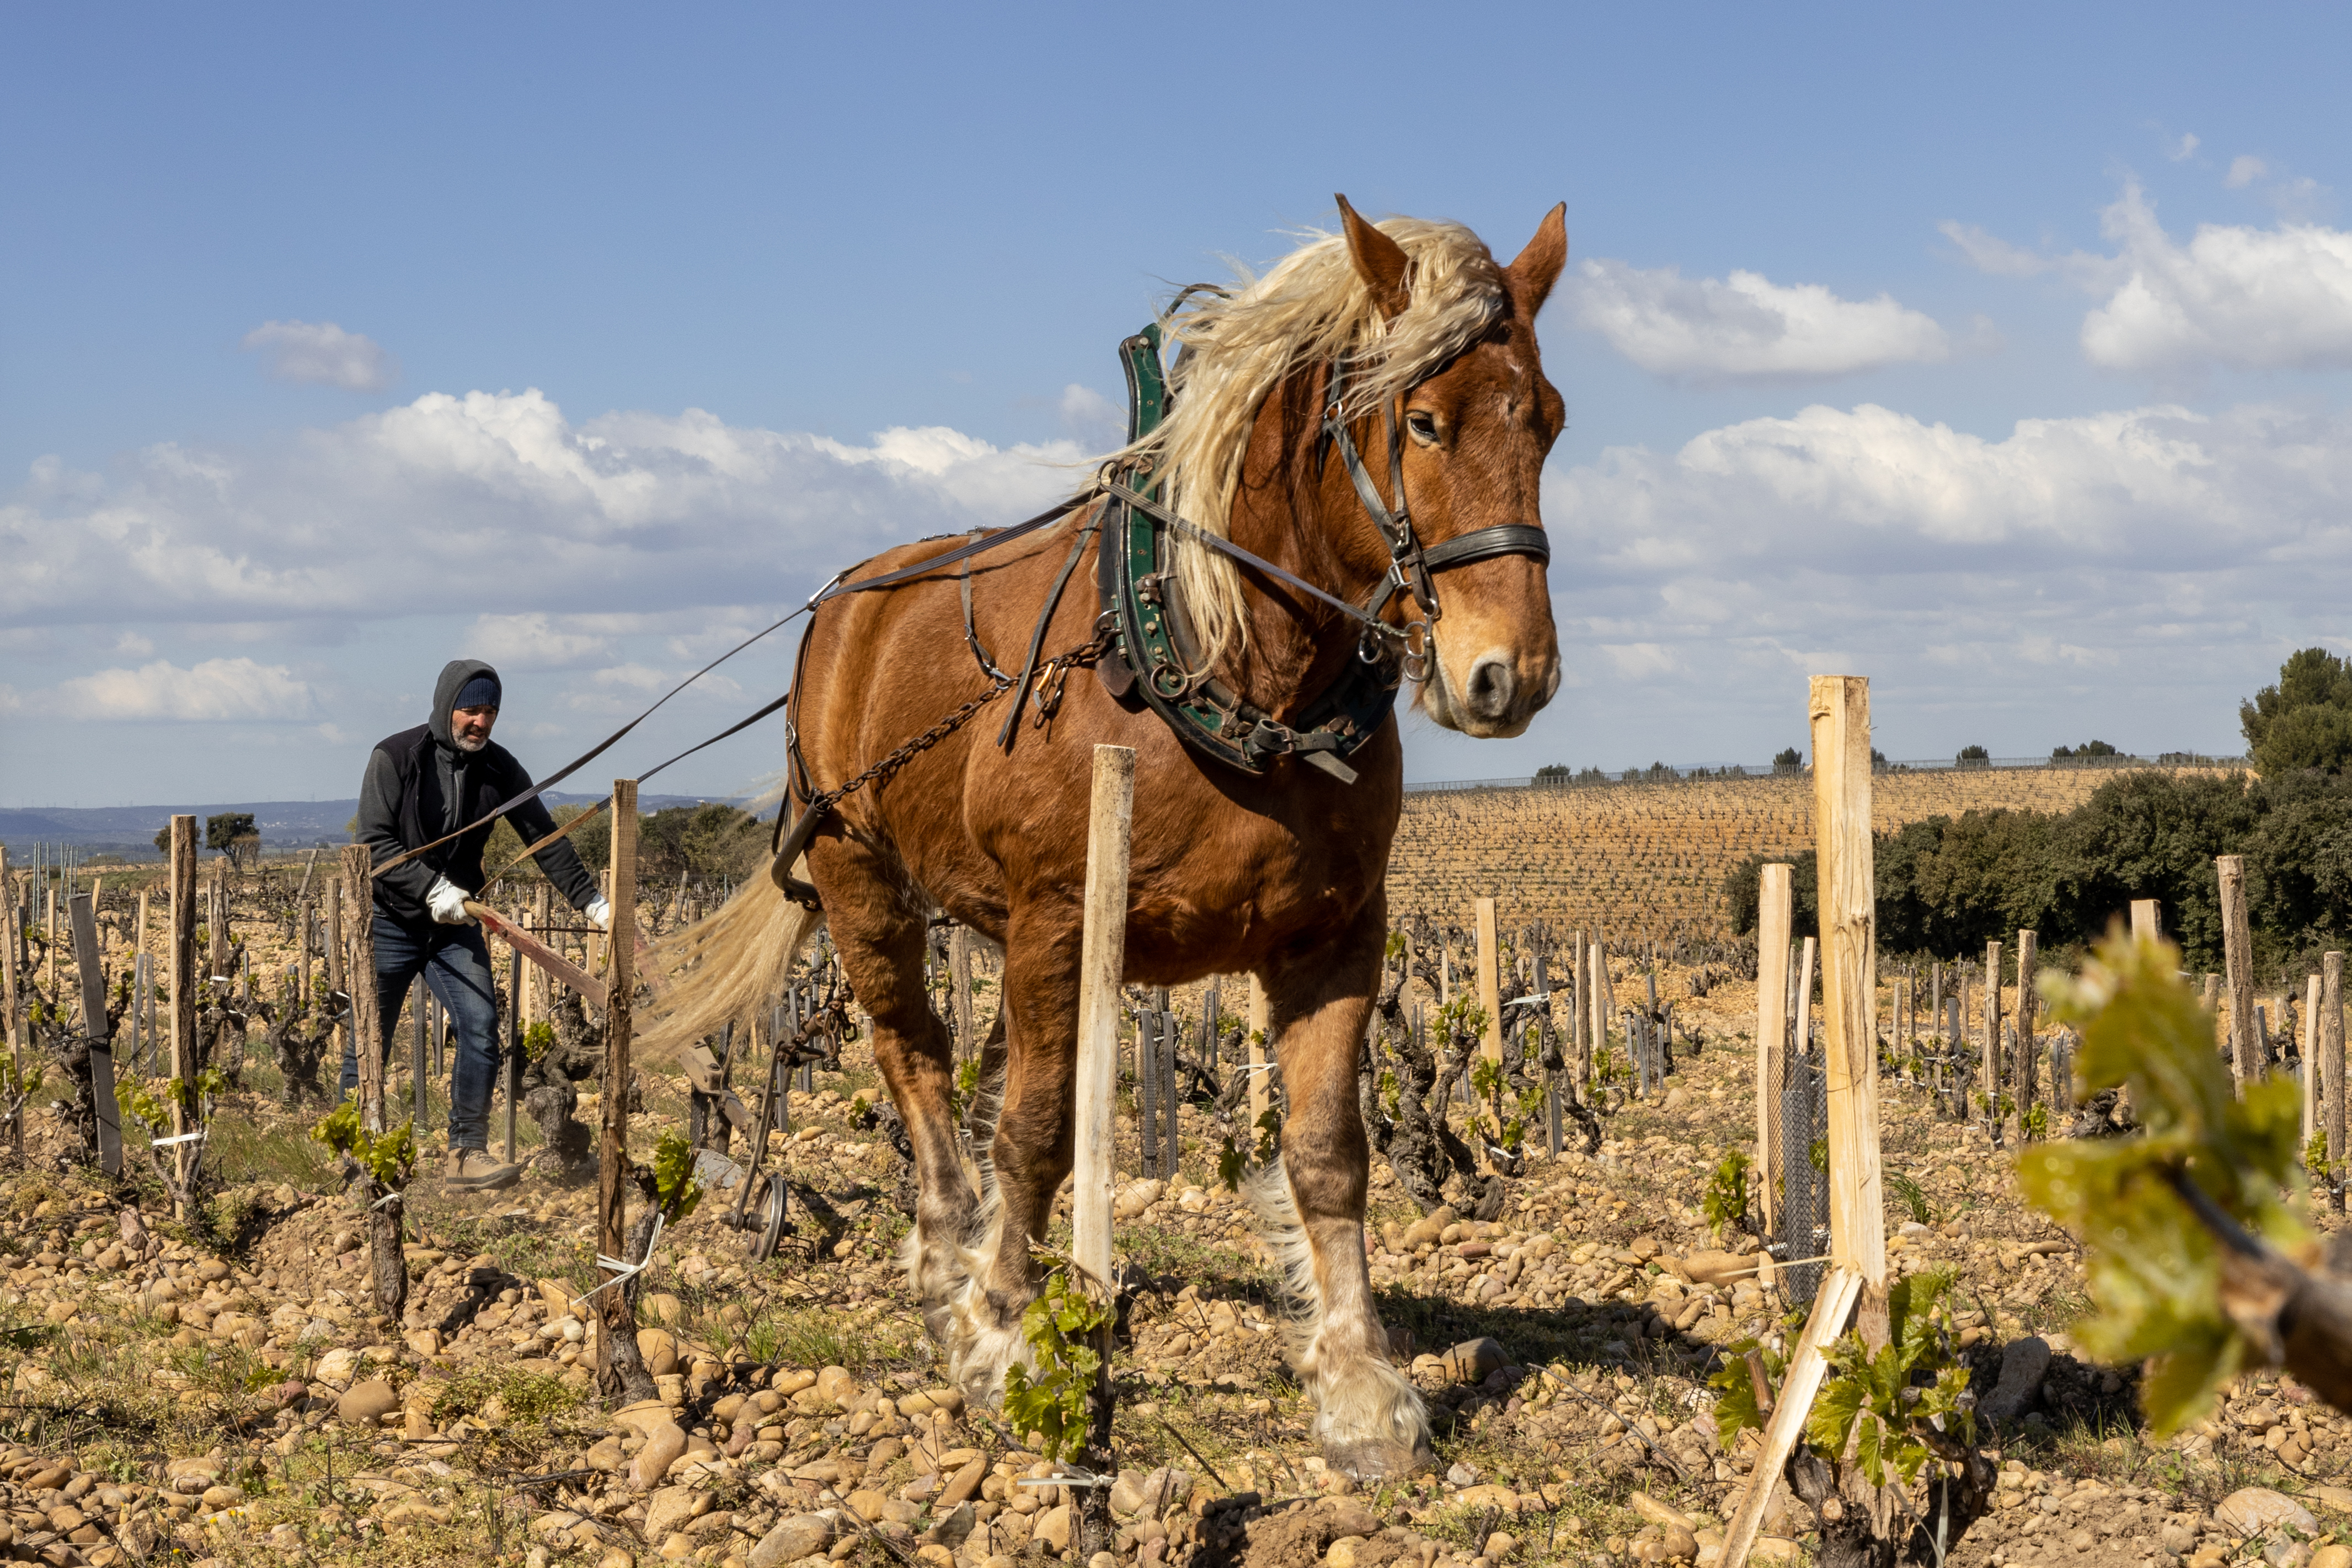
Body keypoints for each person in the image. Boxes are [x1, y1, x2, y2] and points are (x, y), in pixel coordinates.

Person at [350, 659, 609, 1190]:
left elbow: (544, 838)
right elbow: (375, 843)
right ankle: (355, 1155)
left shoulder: (501, 769)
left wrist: (593, 904)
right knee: (368, 1038)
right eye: (471, 709)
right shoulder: (395, 757)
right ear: (447, 707)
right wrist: (431, 889)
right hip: (392, 920)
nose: (481, 722)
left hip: (454, 927)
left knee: (481, 1027)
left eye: (490, 711)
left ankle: (466, 1153)